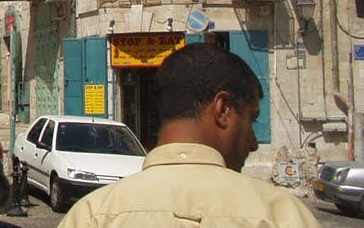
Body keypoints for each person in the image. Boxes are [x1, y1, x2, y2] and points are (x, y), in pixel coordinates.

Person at [59, 43, 321, 227]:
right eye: (251, 119)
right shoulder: (280, 215)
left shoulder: (92, 216)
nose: (253, 142)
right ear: (223, 109)